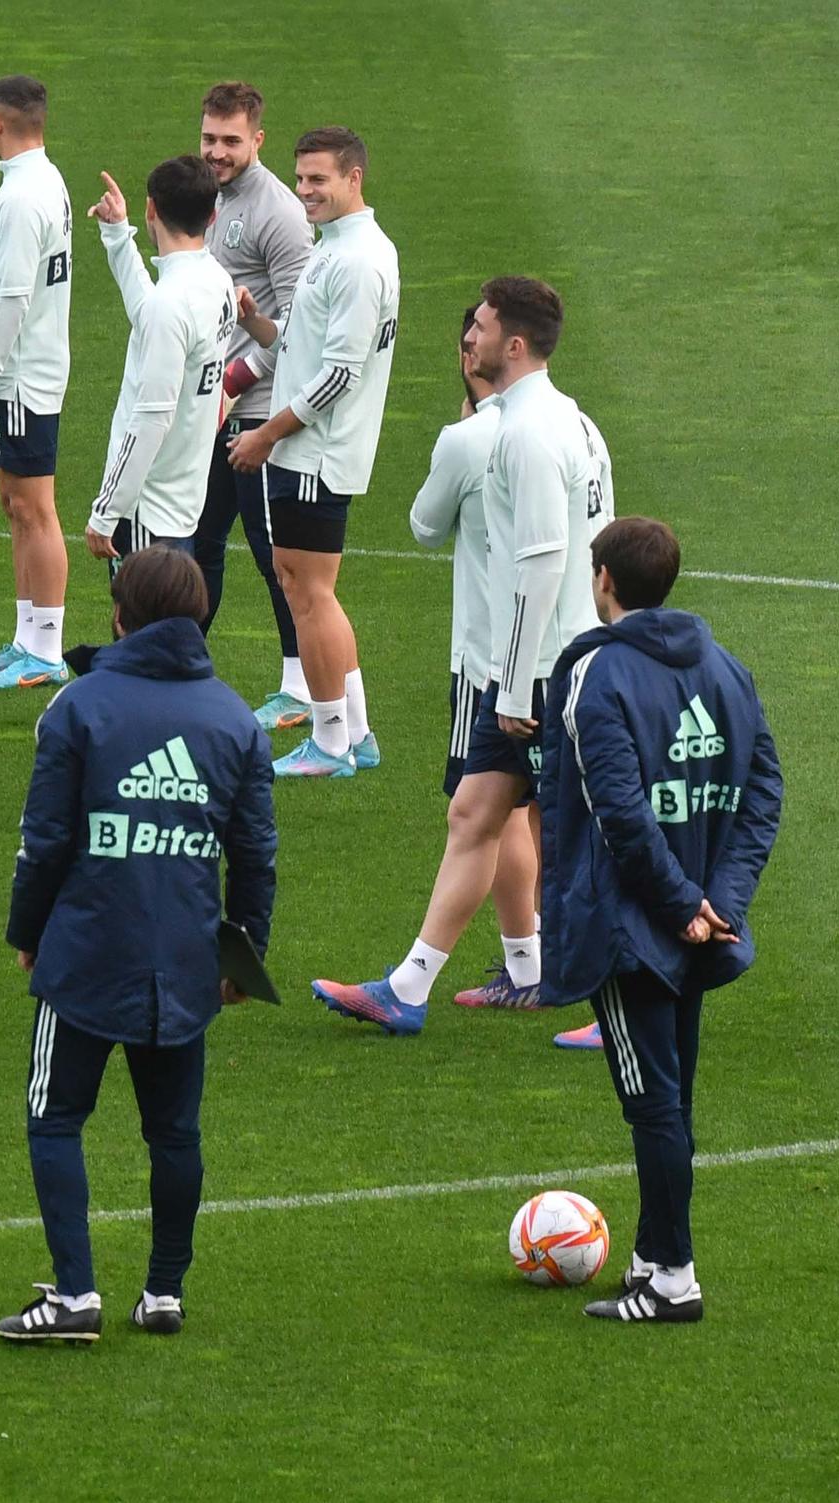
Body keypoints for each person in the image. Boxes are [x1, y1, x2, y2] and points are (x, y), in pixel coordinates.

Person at [313, 277, 610, 1033]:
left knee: (583, 837)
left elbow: (541, 561)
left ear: (513, 343)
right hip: (559, 660)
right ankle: (409, 990)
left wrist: (513, 689)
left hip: (541, 674)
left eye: (476, 328)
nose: (465, 340)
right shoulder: (574, 422)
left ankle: (618, 1004)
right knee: (475, 812)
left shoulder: (525, 432)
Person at [0, 546, 277, 1343]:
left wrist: (28, 933)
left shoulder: (79, 706)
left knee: (55, 1118)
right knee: (175, 1131)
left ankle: (75, 1295)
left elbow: (44, 839)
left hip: (86, 949)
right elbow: (255, 853)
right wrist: (244, 952)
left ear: (119, 615)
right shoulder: (235, 718)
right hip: (184, 963)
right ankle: (163, 1294)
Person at [534, 517, 783, 1322]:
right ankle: (651, 1252)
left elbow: (619, 815)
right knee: (675, 1103)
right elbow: (763, 794)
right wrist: (722, 903)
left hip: (632, 929)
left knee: (653, 1105)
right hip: (700, 927)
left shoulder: (598, 677)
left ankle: (674, 1276)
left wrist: (681, 906)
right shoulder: (729, 670)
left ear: (603, 579)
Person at [227, 127, 399, 777]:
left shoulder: (354, 262)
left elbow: (339, 375)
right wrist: (256, 325)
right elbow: (301, 343)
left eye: (319, 180)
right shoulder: (346, 248)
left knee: (308, 591)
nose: (305, 192)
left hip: (313, 454)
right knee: (312, 589)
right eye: (300, 180)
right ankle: (354, 730)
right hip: (317, 450)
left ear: (354, 177)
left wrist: (265, 435)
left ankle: (330, 743)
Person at [409, 307, 543, 1016]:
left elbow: (424, 526)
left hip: (493, 662)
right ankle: (527, 966)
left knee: (480, 814)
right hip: (555, 655)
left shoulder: (468, 440)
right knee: (507, 809)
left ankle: (415, 984)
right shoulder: (573, 426)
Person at [190, 82, 316, 729]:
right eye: (209, 138)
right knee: (199, 541)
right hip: (214, 404)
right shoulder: (206, 197)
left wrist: (238, 376)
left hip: (258, 409)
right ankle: (181, 665)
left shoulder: (279, 212)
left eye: (230, 141)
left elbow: (300, 323)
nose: (216, 151)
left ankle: (298, 686)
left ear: (257, 139)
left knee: (276, 558)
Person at [0, 74, 76, 691]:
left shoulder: (22, 198)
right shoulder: (39, 182)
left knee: (34, 508)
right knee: (15, 505)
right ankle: (27, 636)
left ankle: (47, 649)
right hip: (20, 374)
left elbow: (13, 298)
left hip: (21, 378)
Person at [80, 156, 235, 573]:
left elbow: (150, 418)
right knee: (165, 630)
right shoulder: (217, 281)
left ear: (151, 209)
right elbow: (150, 317)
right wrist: (116, 236)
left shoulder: (171, 303)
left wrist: (107, 510)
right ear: (212, 215)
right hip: (182, 500)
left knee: (143, 632)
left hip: (148, 510)